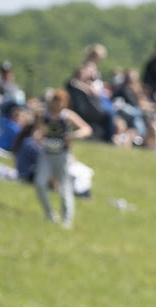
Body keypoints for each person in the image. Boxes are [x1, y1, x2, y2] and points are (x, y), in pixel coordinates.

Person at [34, 89, 92, 229]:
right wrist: (38, 136)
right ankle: (50, 214)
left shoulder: (68, 116)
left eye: (60, 101)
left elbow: (86, 129)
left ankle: (67, 220)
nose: (57, 104)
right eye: (55, 100)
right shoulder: (44, 115)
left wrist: (74, 135)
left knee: (65, 186)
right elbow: (38, 130)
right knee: (39, 183)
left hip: (62, 155)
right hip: (47, 154)